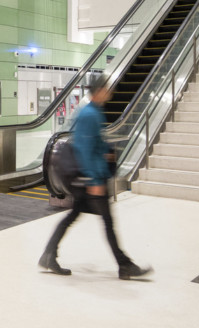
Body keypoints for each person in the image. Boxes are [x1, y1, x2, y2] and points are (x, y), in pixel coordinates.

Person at [39, 79, 147, 280]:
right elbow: (84, 150)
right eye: (106, 88)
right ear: (98, 91)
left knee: (76, 217)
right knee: (106, 222)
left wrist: (106, 153)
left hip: (91, 176)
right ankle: (125, 266)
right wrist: (94, 180)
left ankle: (48, 255)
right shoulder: (90, 114)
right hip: (91, 178)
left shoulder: (94, 111)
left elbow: (93, 145)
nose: (109, 91)